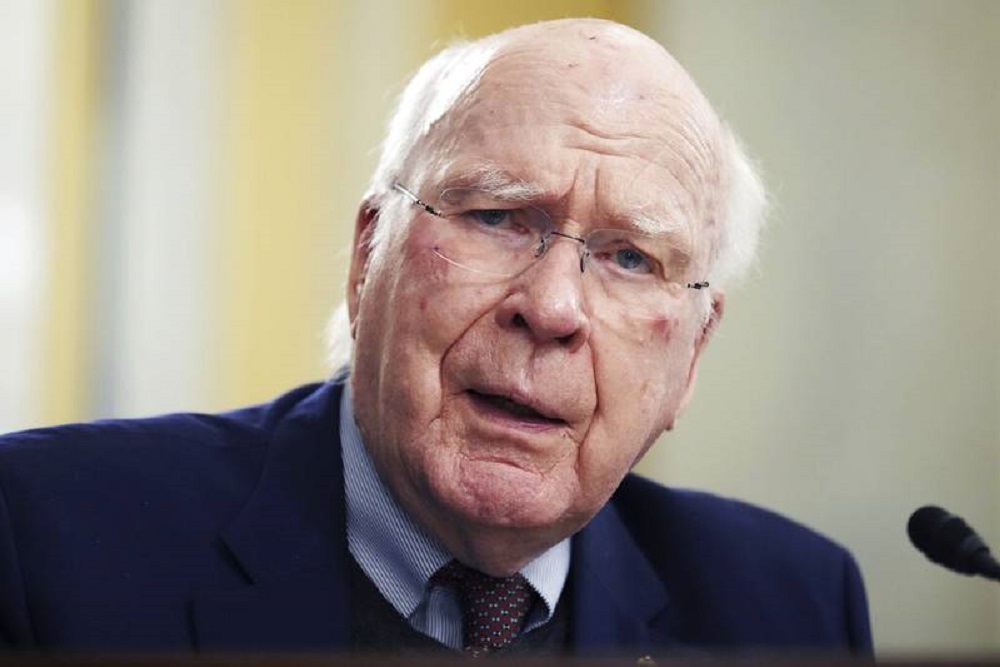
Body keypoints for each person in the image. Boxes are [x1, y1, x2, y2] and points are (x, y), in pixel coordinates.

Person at [0, 18, 871, 655]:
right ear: (367, 256)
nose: (552, 307)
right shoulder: (46, 536)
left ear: (693, 354)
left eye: (631, 258)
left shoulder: (792, 608)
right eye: (498, 216)